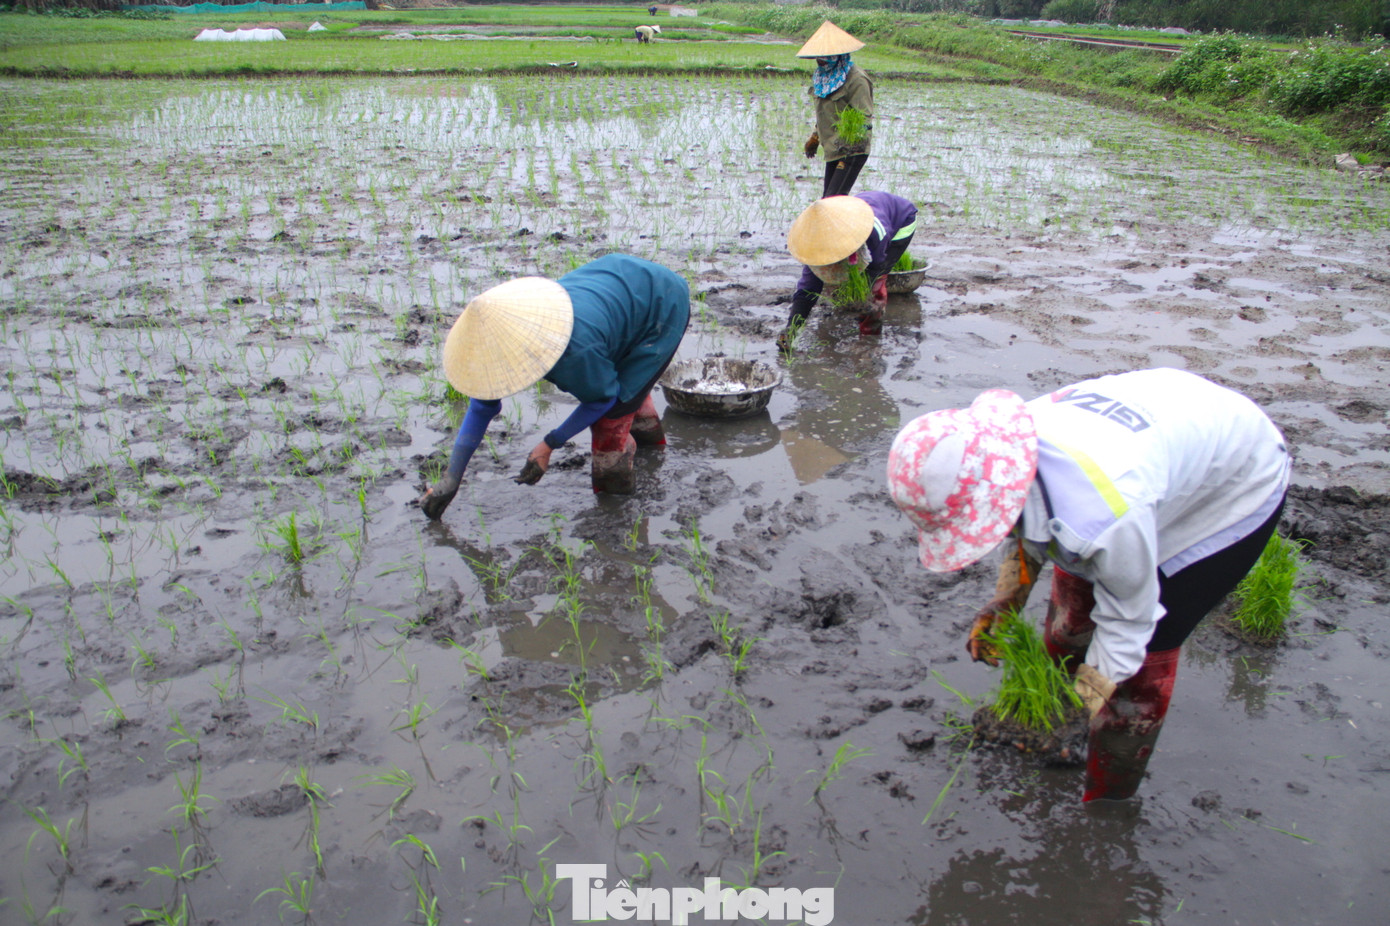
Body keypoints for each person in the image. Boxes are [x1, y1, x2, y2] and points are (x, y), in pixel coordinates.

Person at [886, 369, 1291, 801]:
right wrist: (1006, 601)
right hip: (1160, 441)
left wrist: (1077, 710)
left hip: (1234, 480)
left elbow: (1131, 622)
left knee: (1143, 660)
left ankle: (1108, 799)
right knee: (1069, 624)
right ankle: (1063, 719)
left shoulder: (1100, 516)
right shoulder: (1008, 449)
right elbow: (1026, 519)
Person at [419, 254, 690, 520]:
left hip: (661, 304)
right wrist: (451, 480)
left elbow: (601, 400)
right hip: (615, 295)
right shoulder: (496, 346)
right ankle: (653, 454)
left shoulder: (572, 351)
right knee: (628, 390)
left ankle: (614, 517)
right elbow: (480, 409)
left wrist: (549, 444)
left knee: (611, 422)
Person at [778, 192, 917, 351]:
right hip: (859, 211)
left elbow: (875, 269)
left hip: (902, 219)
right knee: (830, 284)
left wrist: (862, 301)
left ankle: (869, 339)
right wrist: (791, 330)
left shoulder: (875, 234)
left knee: (876, 286)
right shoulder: (816, 246)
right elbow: (808, 289)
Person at [796, 21, 874, 197]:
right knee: (830, 199)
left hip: (852, 149)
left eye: (824, 58)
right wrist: (815, 138)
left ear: (837, 55)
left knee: (832, 201)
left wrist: (847, 153)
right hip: (832, 148)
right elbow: (826, 114)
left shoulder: (856, 80)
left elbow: (863, 119)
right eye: (818, 58)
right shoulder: (824, 78)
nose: (820, 62)